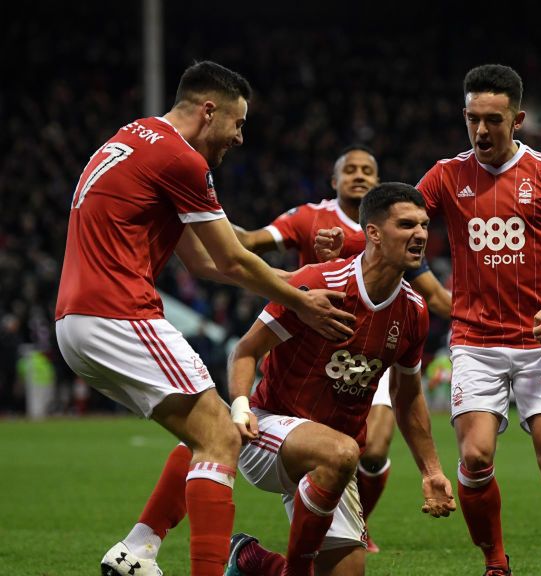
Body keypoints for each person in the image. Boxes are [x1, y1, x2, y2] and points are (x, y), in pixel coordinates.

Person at [54, 61, 354, 576]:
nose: (239, 137)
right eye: (237, 123)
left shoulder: (134, 138)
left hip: (75, 321)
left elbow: (205, 262)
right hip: (118, 312)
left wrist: (295, 277)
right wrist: (302, 299)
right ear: (208, 110)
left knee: (204, 433)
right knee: (222, 436)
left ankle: (138, 549)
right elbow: (234, 260)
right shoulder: (181, 158)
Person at [415, 64, 541, 576]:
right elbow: (397, 221)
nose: (481, 131)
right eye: (472, 118)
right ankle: (496, 562)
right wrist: (352, 243)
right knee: (474, 460)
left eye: (493, 120)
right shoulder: (448, 174)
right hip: (474, 340)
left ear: (517, 119)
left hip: (539, 341)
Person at [224, 182, 455, 576]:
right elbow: (245, 351)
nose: (419, 234)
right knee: (344, 452)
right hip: (267, 428)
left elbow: (408, 396)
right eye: (406, 224)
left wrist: (432, 471)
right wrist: (240, 407)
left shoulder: (413, 312)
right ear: (375, 234)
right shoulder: (318, 283)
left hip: (334, 455)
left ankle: (252, 560)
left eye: (423, 225)